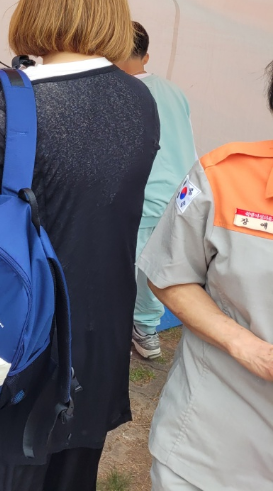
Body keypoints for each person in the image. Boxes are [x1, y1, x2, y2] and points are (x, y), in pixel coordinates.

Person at [0, 0, 160, 491]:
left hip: (12, 339)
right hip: (97, 336)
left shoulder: (8, 97)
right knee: (70, 472)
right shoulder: (141, 101)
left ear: (36, 4)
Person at [137, 61, 273, 491]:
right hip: (213, 445)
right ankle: (144, 332)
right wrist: (244, 344)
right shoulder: (224, 179)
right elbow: (167, 272)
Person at [115, 22, 196, 359]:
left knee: (135, 266)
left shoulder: (122, 93)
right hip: (183, 193)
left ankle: (141, 330)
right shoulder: (174, 90)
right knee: (156, 263)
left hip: (145, 195)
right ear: (146, 55)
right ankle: (144, 327)